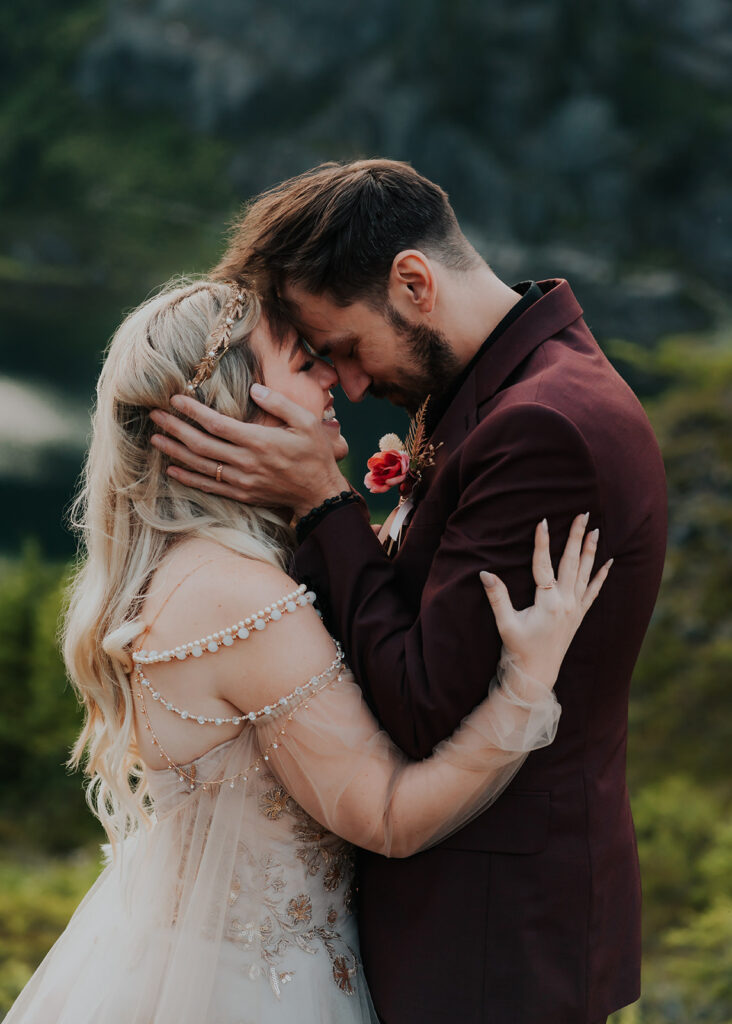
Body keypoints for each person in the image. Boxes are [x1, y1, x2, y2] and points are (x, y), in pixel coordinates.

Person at [5, 280, 610, 1024]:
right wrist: (527, 682)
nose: (332, 377)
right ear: (240, 405)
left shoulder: (184, 566)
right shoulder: (243, 596)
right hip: (265, 993)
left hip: (186, 960)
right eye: (302, 361)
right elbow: (389, 814)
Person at [151, 159, 668, 1024]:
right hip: (475, 922)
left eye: (346, 348)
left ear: (414, 282)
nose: (349, 386)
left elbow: (426, 706)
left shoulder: (543, 428)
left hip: (489, 939)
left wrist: (323, 502)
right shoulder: (502, 387)